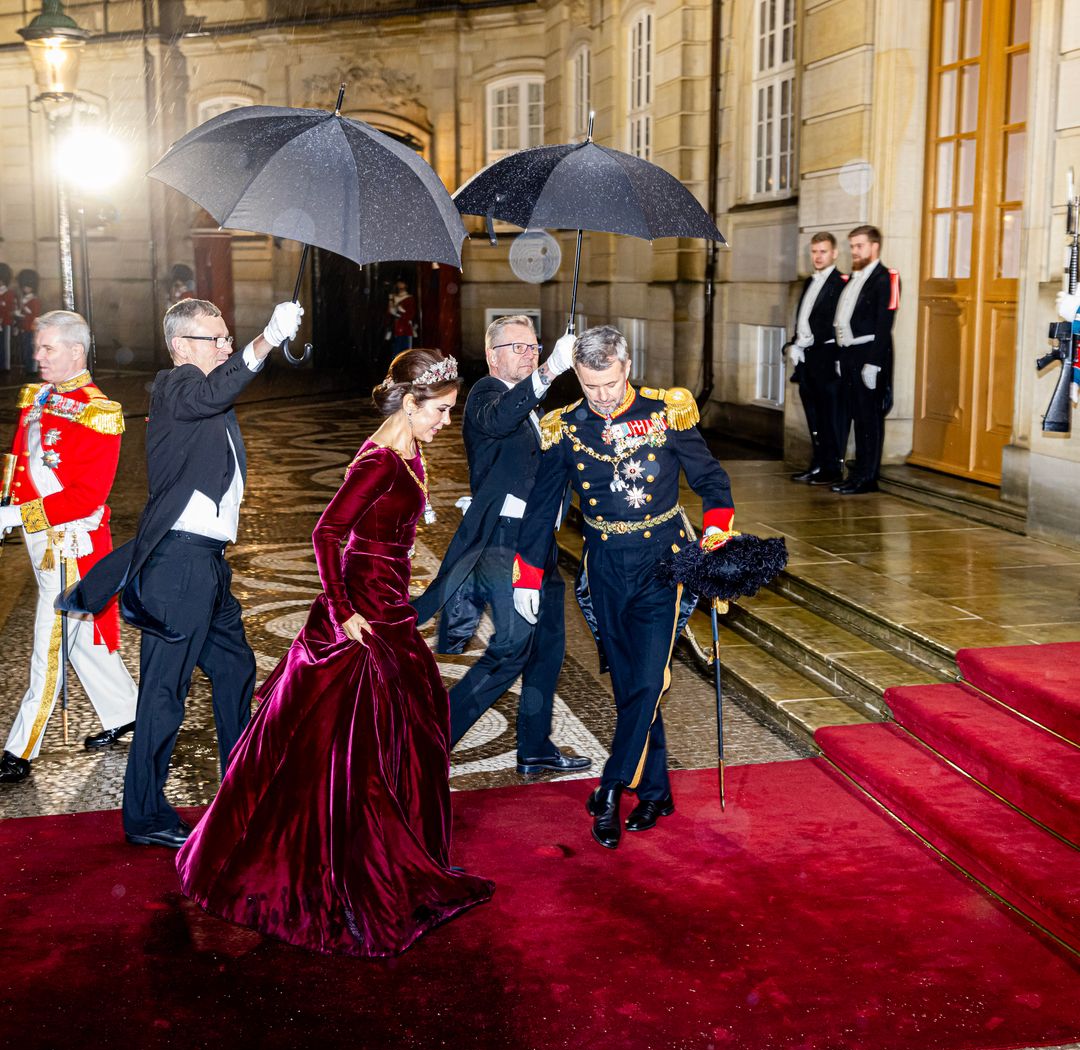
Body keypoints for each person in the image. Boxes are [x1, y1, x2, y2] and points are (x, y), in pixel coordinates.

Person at [176, 349, 494, 957]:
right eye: (442, 411)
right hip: (365, 614)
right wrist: (343, 607)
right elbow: (326, 531)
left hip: (389, 603)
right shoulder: (378, 462)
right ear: (411, 402)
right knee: (360, 735)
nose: (446, 422)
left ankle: (397, 844)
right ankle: (354, 861)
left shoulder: (409, 452)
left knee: (410, 723)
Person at [60, 297, 303, 848]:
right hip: (178, 568)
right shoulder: (174, 386)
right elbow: (214, 390)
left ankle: (246, 787)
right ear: (180, 347)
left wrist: (250, 351)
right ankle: (144, 816)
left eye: (227, 338)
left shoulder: (206, 397)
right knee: (165, 693)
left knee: (236, 669)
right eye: (213, 339)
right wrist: (263, 342)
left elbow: (218, 399)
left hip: (208, 567)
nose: (224, 346)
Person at [511, 326, 735, 850]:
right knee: (633, 682)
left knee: (650, 677)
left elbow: (713, 482)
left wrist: (717, 534)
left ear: (626, 366)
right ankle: (656, 791)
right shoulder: (563, 428)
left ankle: (611, 788)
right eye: (591, 387)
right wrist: (528, 573)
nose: (603, 396)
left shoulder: (666, 412)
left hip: (666, 561)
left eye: (610, 382)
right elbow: (543, 507)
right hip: (605, 567)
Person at [412, 315, 591, 775]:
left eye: (535, 347)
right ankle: (432, 741)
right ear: (492, 355)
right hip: (503, 546)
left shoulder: (532, 405)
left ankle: (535, 749)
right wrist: (550, 369)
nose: (529, 354)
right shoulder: (485, 398)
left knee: (547, 648)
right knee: (512, 648)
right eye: (519, 348)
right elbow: (502, 417)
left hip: (537, 543)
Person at [0, 311, 137, 784]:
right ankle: (126, 710)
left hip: (71, 546)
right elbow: (19, 457)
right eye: (38, 348)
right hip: (39, 541)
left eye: (48, 349)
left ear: (76, 352)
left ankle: (20, 749)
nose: (37, 357)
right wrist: (6, 500)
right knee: (78, 638)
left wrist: (16, 514)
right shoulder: (37, 396)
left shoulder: (100, 412)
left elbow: (86, 496)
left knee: (50, 645)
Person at [831, 226, 901, 495]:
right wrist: (841, 355)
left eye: (859, 246)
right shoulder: (854, 278)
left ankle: (868, 477)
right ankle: (857, 474)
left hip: (870, 353)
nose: (855, 251)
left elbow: (885, 324)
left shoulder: (887, 278)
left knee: (869, 419)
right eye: (852, 246)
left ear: (875, 247)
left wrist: (874, 363)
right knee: (857, 417)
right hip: (849, 353)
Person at [784, 232, 847, 486]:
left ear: (834, 254)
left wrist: (811, 340)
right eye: (814, 252)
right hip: (808, 358)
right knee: (813, 415)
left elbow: (838, 322)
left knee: (828, 416)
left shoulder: (840, 283)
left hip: (826, 357)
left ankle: (830, 468)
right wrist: (794, 343)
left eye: (823, 252)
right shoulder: (811, 281)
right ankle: (818, 463)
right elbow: (804, 317)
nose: (818, 257)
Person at [16, 270, 41, 375]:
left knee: (32, 348)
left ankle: (33, 369)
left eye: (27, 286)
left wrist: (24, 308)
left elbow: (34, 314)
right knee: (25, 348)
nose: (25, 288)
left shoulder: (34, 300)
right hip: (24, 327)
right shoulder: (24, 299)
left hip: (31, 328)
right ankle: (28, 368)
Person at [387, 279, 417, 354]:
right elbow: (389, 314)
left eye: (402, 283)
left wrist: (400, 312)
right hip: (395, 330)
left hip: (405, 330)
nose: (400, 285)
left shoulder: (409, 298)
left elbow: (410, 314)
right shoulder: (393, 297)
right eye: (398, 283)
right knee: (395, 354)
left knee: (406, 354)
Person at [0, 263, 17, 373]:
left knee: (5, 345)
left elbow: (10, 309)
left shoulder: (9, 293)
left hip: (5, 322)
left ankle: (6, 366)